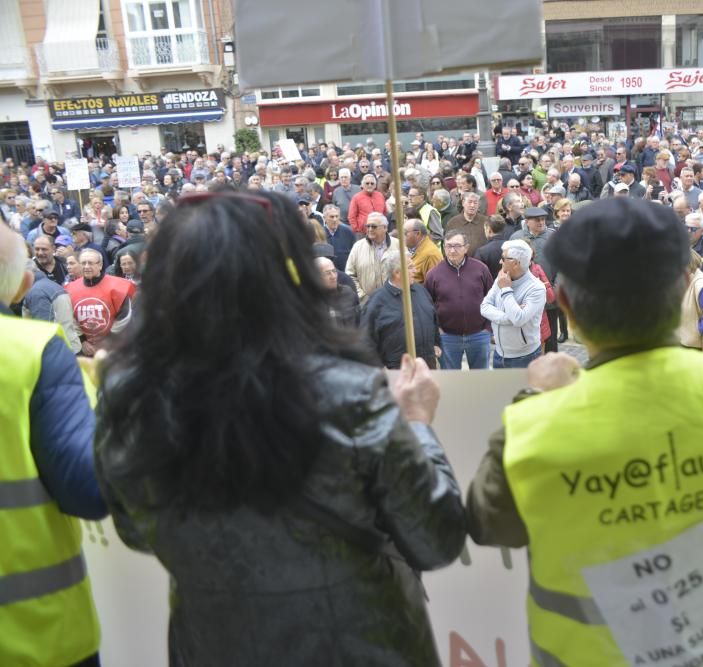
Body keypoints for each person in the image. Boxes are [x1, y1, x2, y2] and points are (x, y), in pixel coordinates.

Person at [465, 197, 703, 667]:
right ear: (685, 285)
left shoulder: (534, 425)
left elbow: (487, 524)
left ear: (567, 307)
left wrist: (532, 400)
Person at [94, 191, 465, 665]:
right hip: (360, 646)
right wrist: (415, 424)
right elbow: (436, 538)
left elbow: (136, 531)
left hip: (213, 646)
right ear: (288, 279)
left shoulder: (128, 396)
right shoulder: (348, 394)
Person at [0, 225, 106, 667]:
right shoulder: (30, 349)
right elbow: (89, 488)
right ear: (20, 283)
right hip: (37, 635)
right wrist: (106, 399)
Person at [424, 230, 494, 370]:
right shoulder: (434, 274)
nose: (452, 250)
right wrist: (437, 331)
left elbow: (492, 298)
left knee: (481, 379)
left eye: (457, 246)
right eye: (448, 246)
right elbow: (427, 307)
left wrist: (488, 328)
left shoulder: (480, 269)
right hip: (447, 337)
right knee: (451, 380)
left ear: (466, 248)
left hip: (479, 335)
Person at [362, 253, 441, 370]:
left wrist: (435, 343)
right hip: (396, 369)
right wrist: (378, 366)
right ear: (397, 273)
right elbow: (365, 339)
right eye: (410, 267)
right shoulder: (377, 302)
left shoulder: (421, 291)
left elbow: (433, 319)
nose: (415, 270)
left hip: (427, 365)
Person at [480, 239, 546, 368]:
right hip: (499, 354)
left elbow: (519, 319)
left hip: (525, 358)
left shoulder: (536, 288)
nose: (500, 262)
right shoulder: (502, 278)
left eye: (503, 258)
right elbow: (484, 307)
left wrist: (505, 290)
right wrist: (507, 317)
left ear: (515, 263)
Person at [65, 248, 136, 357]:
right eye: (83, 263)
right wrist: (82, 341)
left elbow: (124, 317)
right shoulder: (69, 289)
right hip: (86, 348)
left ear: (100, 265)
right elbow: (70, 318)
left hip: (115, 347)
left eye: (91, 263)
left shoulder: (119, 286)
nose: (87, 266)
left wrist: (109, 341)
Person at [511, 207, 559, 352]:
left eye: (543, 219)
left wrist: (555, 288)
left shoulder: (553, 237)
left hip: (548, 296)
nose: (541, 222)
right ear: (527, 222)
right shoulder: (516, 238)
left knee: (550, 338)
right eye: (536, 220)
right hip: (523, 300)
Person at [345, 212, 400, 305]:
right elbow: (350, 275)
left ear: (385, 228)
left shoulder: (398, 245)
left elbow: (407, 270)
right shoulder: (358, 247)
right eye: (368, 226)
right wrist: (363, 297)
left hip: (395, 302)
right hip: (367, 304)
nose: (370, 229)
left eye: (374, 226)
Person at [314, 256, 359, 328]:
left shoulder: (348, 293)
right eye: (327, 273)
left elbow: (359, 322)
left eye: (334, 271)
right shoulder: (309, 300)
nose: (333, 276)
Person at [402, 218, 442, 284]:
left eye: (405, 233)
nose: (402, 236)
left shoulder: (430, 255)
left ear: (417, 234)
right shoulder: (413, 248)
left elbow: (435, 284)